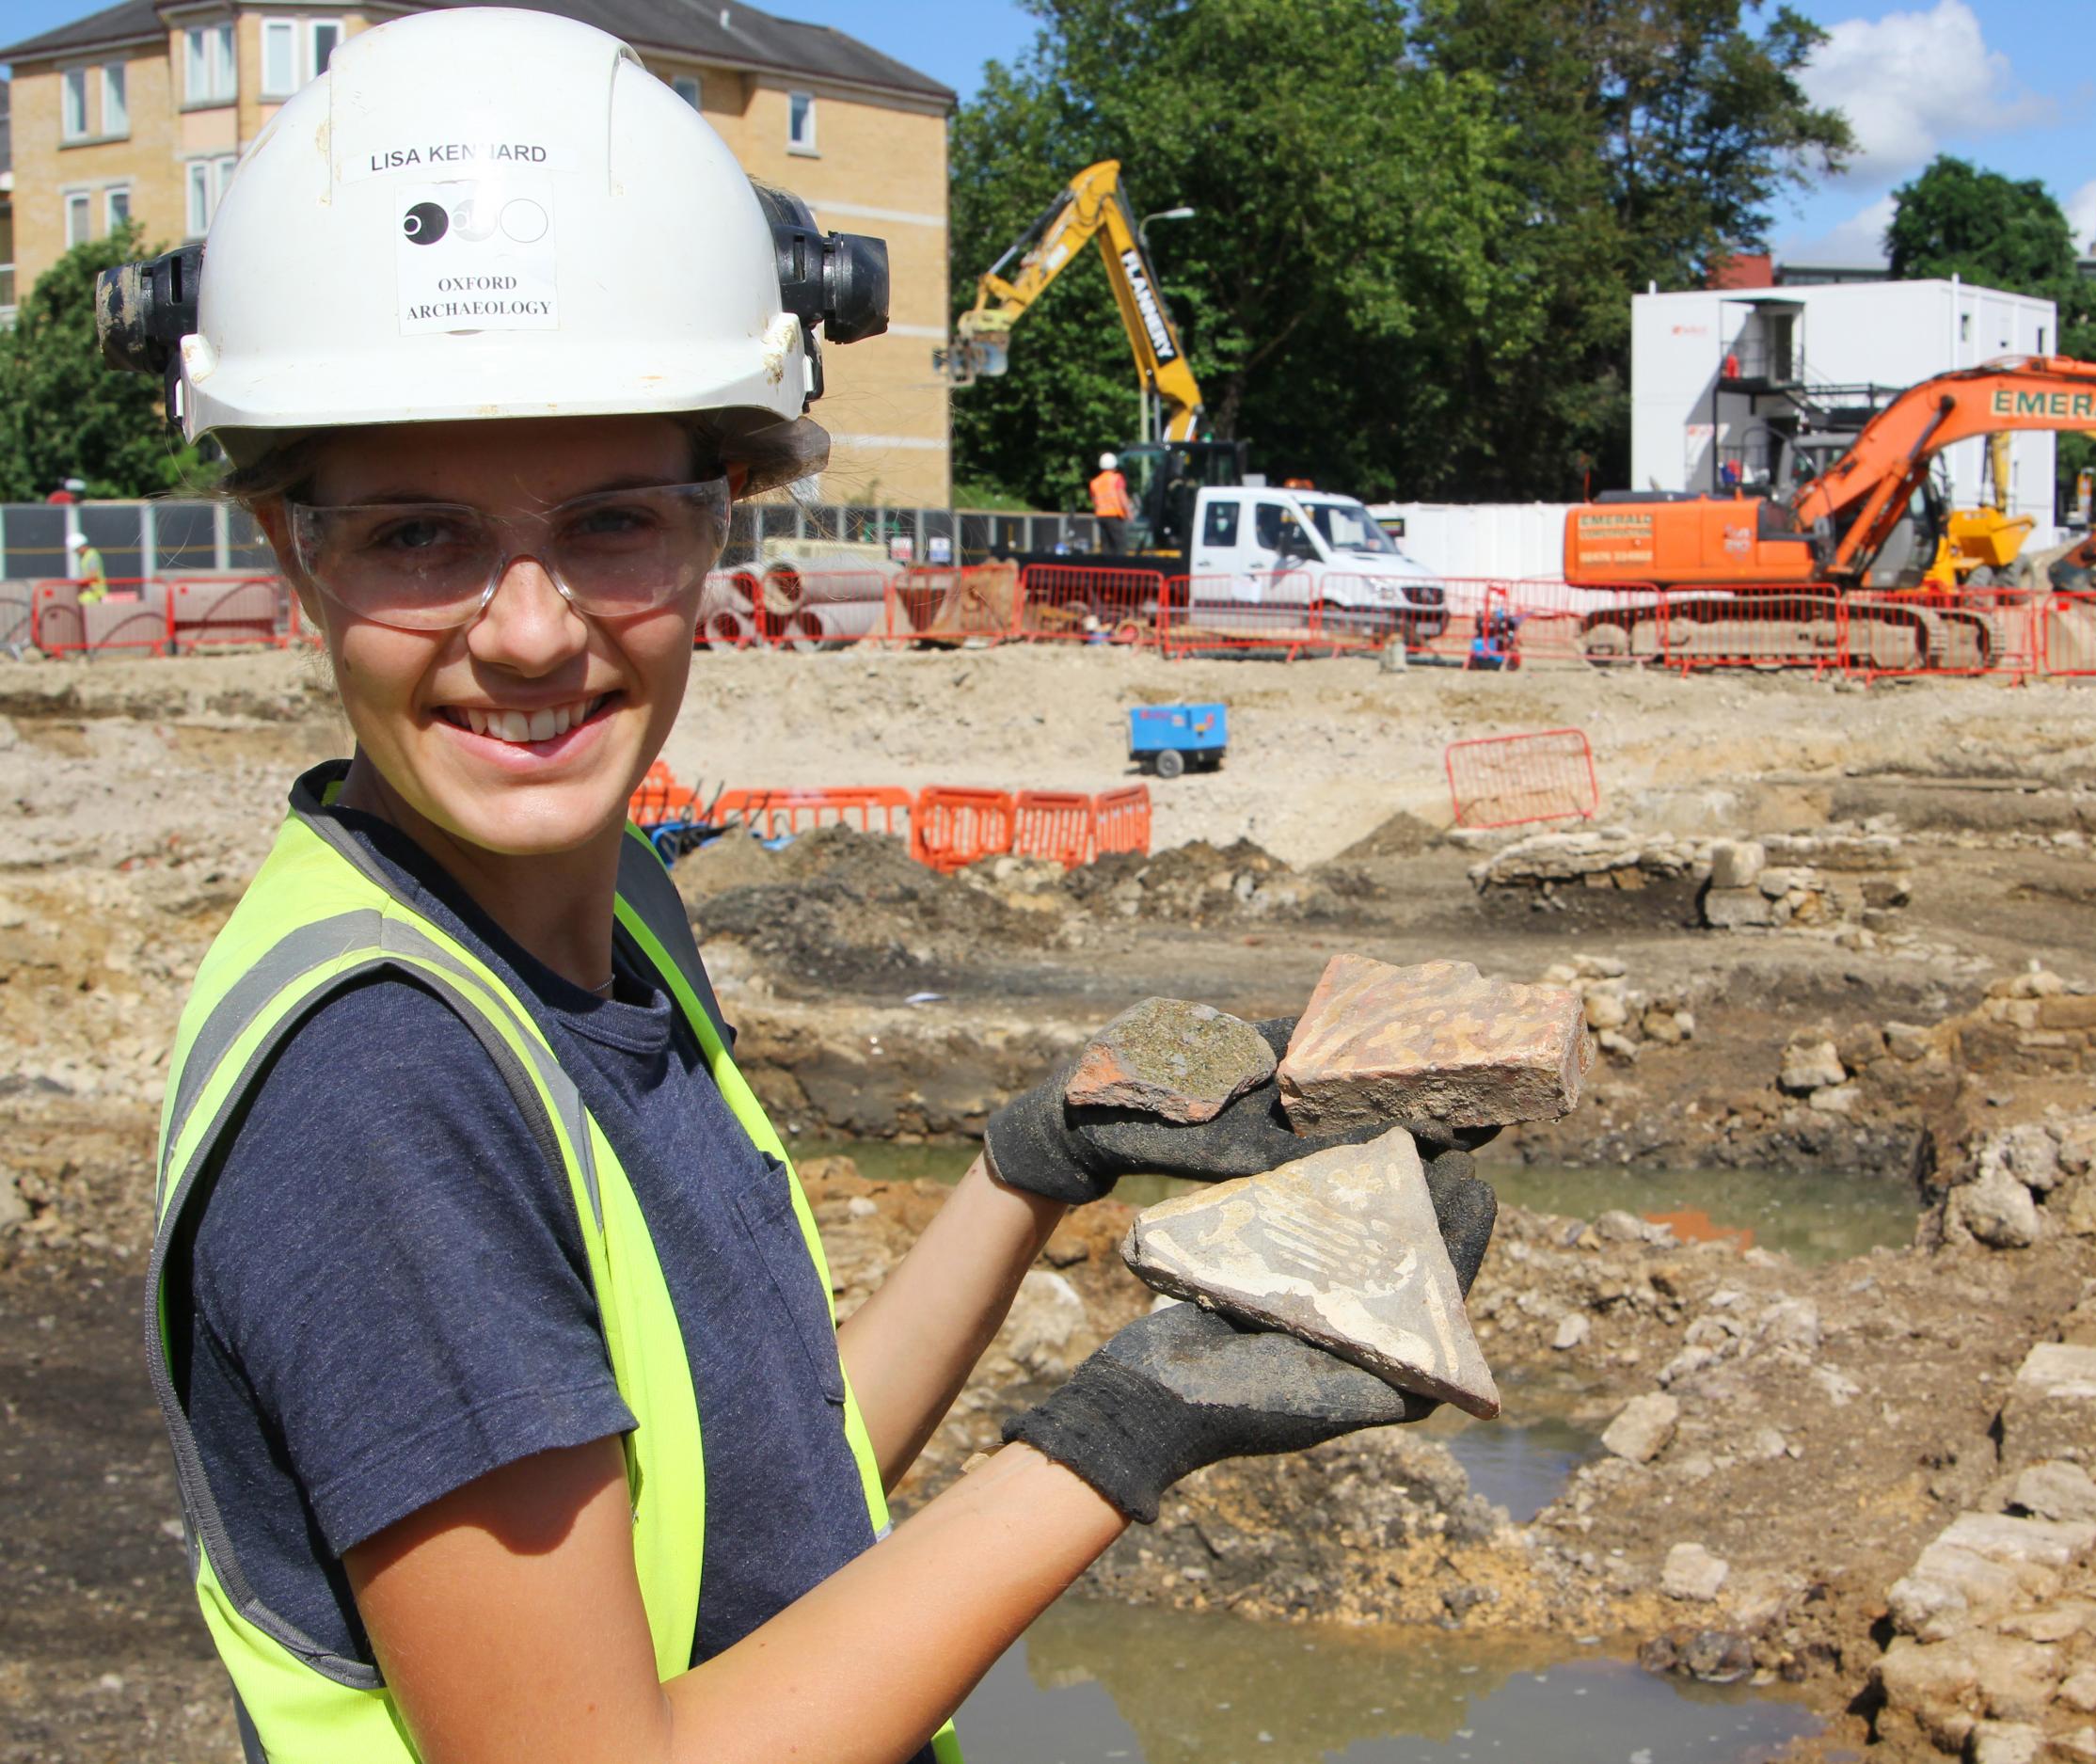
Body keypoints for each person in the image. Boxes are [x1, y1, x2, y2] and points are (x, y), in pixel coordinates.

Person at [118, 14, 1497, 1764]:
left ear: (728, 518)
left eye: (615, 519)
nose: (529, 628)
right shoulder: (382, 1098)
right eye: (416, 534)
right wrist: (1131, 1425)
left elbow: (768, 1493)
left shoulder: (607, 916)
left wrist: (1031, 1164)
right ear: (289, 551)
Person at [1088, 450, 1133, 553]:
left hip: (1101, 516)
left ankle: (1107, 568)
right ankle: (1121, 568)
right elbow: (1122, 496)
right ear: (1114, 465)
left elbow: (1094, 500)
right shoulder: (1116, 478)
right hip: (1115, 516)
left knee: (1106, 546)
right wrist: (1129, 512)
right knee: (1120, 545)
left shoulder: (1095, 482)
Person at [70, 529, 106, 603]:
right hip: (90, 592)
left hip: (96, 593)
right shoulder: (86, 557)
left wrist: (81, 583)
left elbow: (93, 575)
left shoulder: (92, 555)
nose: (77, 552)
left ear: (81, 546)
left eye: (77, 550)